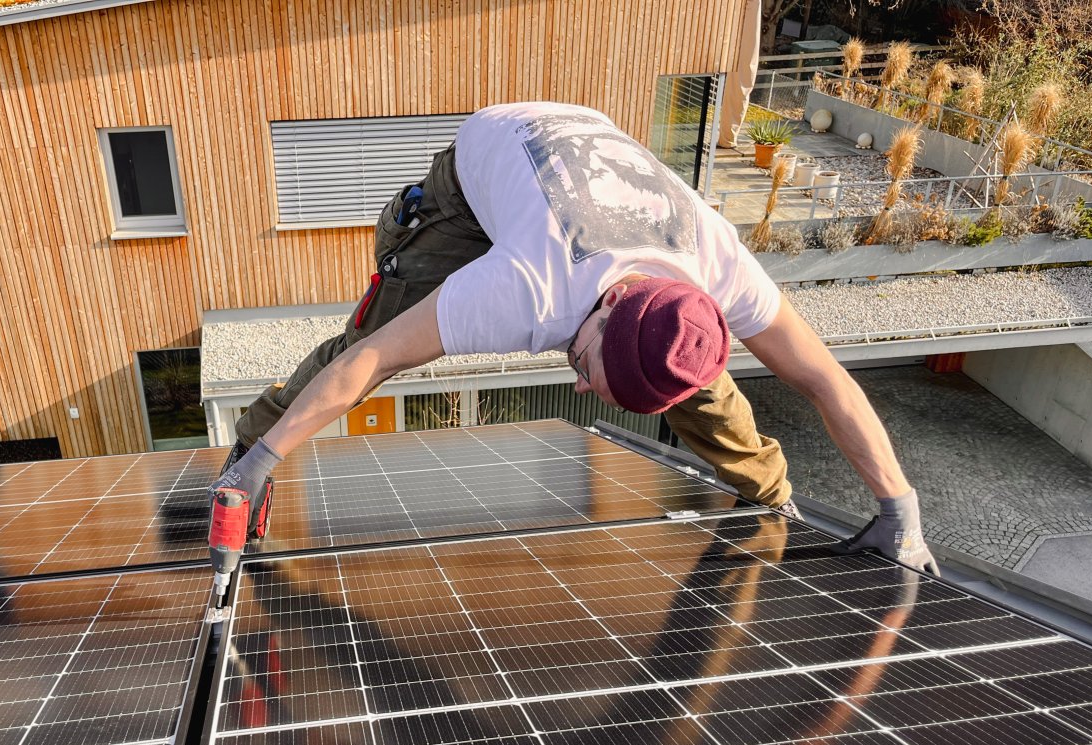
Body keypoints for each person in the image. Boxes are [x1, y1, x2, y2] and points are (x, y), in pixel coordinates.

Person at [214, 102, 936, 575]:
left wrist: (898, 509)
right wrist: (266, 459)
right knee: (375, 335)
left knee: (686, 375)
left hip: (595, 169)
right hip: (476, 179)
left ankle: (770, 499)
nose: (579, 384)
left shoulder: (720, 266)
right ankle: (247, 452)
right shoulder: (525, 288)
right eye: (589, 364)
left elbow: (826, 381)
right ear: (609, 301)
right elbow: (372, 362)